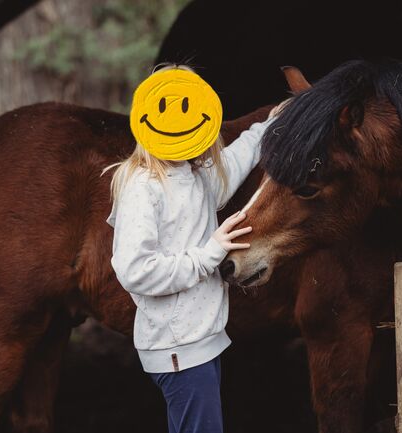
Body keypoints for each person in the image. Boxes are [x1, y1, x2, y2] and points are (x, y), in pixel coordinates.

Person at [105, 65, 284, 433]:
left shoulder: (193, 175)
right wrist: (209, 254)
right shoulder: (144, 187)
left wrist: (268, 125)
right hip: (177, 349)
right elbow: (135, 270)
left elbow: (234, 162)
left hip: (199, 340)